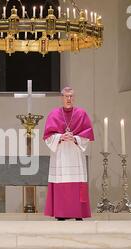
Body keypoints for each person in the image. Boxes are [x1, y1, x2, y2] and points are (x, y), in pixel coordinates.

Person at [43, 87, 95, 221]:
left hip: (75, 154)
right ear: (62, 98)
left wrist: (75, 138)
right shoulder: (54, 114)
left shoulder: (81, 114)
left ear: (74, 97)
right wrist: (60, 137)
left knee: (76, 184)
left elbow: (87, 135)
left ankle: (78, 213)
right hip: (60, 155)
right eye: (66, 96)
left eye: (71, 96)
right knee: (61, 182)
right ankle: (61, 213)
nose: (69, 99)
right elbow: (48, 137)